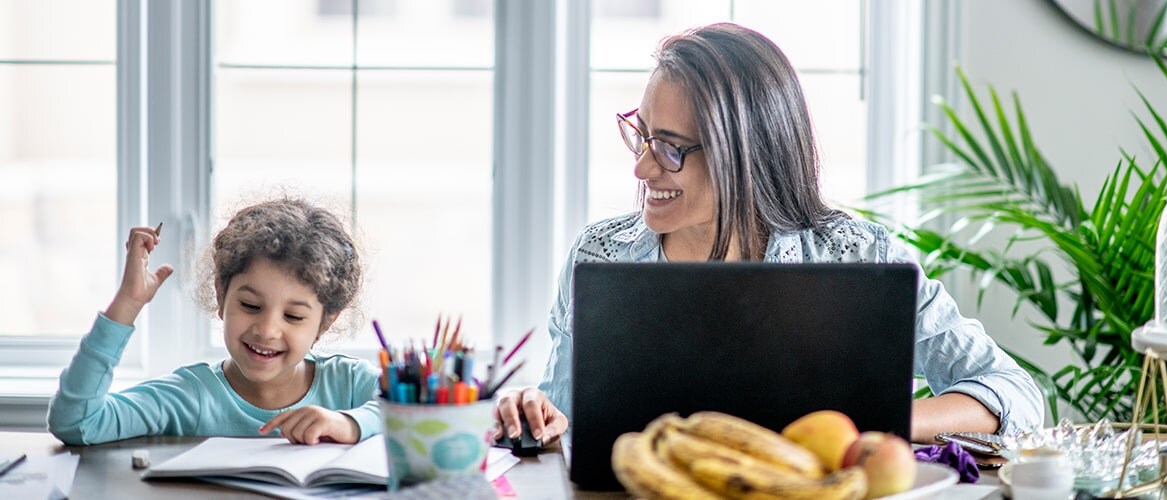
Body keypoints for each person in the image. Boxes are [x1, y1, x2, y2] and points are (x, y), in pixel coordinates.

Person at [493, 22, 1044, 445]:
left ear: (746, 157)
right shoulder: (600, 255)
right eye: (640, 135)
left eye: (670, 147)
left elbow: (1014, 394)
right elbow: (565, 411)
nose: (641, 168)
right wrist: (532, 411)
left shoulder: (858, 257)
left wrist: (862, 425)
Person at [48, 197, 381, 446]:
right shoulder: (190, 397)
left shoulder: (348, 384)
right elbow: (77, 423)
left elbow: (420, 416)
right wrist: (128, 303)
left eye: (293, 316)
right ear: (221, 296)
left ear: (324, 323)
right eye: (250, 305)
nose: (266, 330)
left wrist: (349, 424)